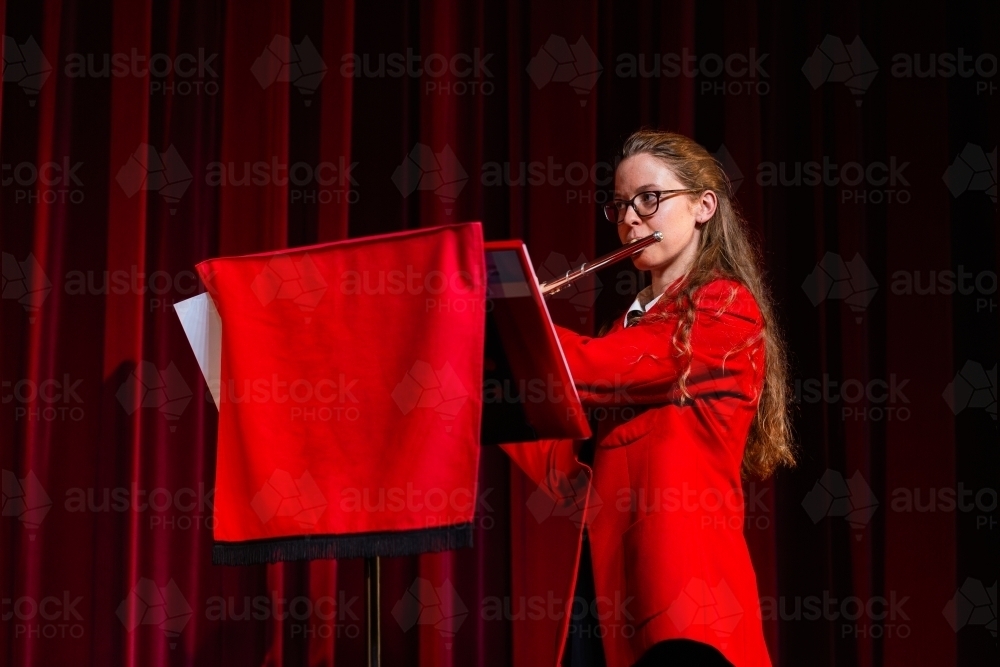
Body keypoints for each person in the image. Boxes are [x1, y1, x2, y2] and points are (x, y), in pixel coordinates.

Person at [503, 129, 795, 667]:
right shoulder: (626, 329)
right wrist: (489, 388)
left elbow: (598, 367)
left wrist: (513, 321)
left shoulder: (725, 310)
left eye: (650, 199)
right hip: (611, 596)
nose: (630, 218)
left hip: (686, 605)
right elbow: (567, 473)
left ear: (704, 206)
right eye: (620, 205)